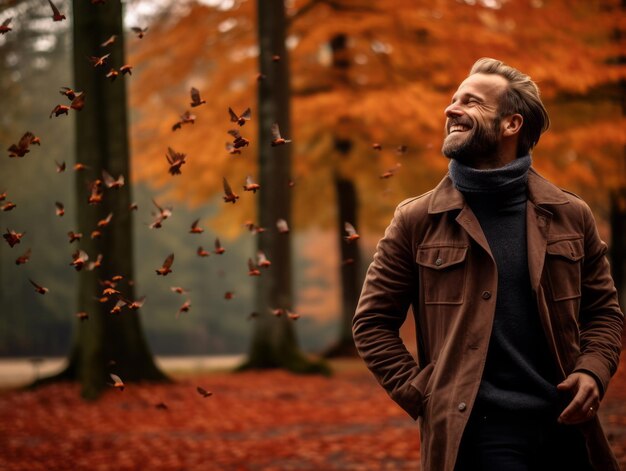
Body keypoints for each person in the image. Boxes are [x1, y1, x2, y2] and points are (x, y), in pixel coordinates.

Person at [352, 57, 624, 471]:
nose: (451, 109)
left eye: (471, 102)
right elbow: (371, 323)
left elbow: (604, 312)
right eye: (453, 99)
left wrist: (592, 371)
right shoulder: (416, 220)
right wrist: (424, 393)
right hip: (476, 433)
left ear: (511, 125)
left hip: (567, 425)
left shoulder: (571, 214)